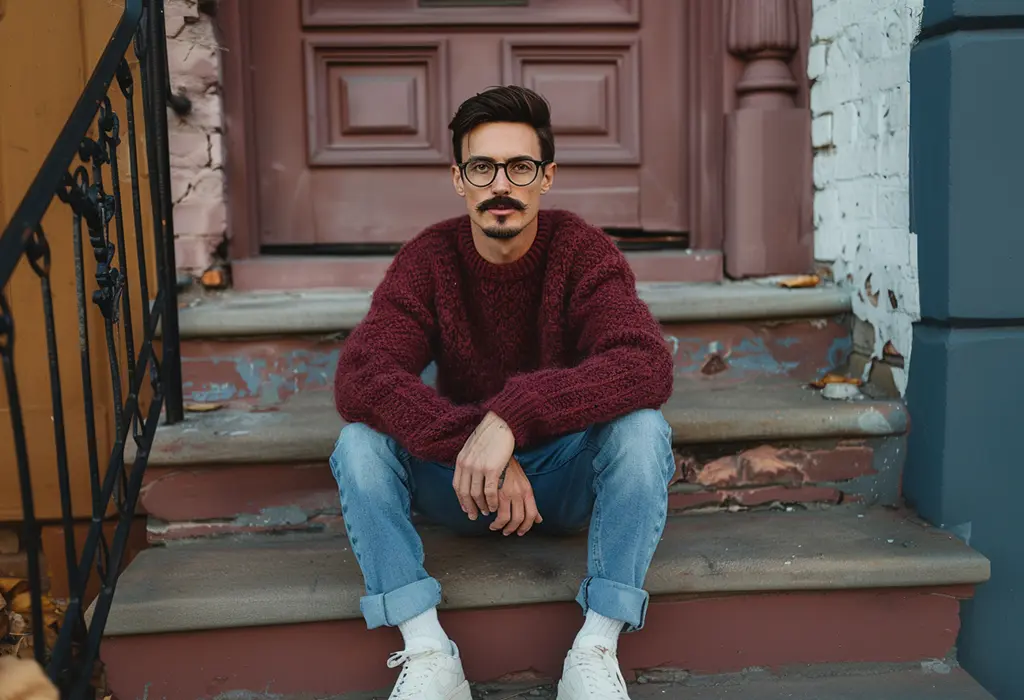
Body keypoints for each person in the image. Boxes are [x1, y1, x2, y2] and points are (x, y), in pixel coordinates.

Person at [330, 85, 676, 700]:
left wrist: (513, 418)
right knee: (359, 444)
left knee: (643, 429)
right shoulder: (429, 259)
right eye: (482, 167)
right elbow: (363, 372)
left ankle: (596, 648)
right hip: (458, 483)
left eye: (520, 167)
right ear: (459, 179)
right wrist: (477, 438)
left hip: (564, 481)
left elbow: (644, 363)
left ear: (546, 177)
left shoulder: (579, 250)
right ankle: (428, 649)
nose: (501, 186)